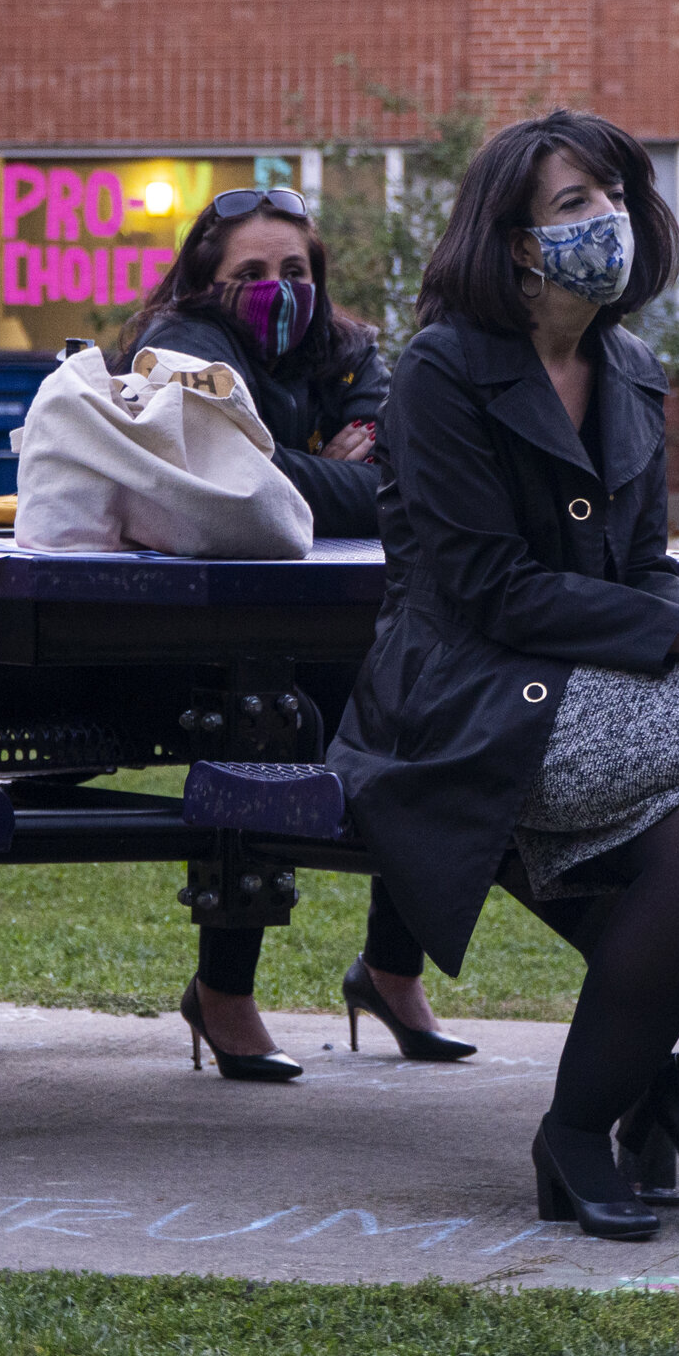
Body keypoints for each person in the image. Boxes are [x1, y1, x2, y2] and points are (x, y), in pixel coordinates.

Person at [330, 109, 679, 1240]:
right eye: (573, 205)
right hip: (459, 694)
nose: (604, 221)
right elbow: (486, 590)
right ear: (513, 240)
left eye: (612, 198)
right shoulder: (442, 370)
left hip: (586, 680)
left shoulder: (630, 368)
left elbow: (642, 561)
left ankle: (604, 1120)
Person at [115, 188, 476, 1075]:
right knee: (267, 719)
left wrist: (283, 462)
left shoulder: (350, 348)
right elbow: (229, 480)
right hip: (185, 635)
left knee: (425, 705)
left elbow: (405, 485)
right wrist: (310, 465)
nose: (279, 289)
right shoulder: (180, 344)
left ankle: (391, 971)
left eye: (295, 271)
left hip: (339, 619)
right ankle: (222, 991)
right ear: (207, 279)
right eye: (250, 273)